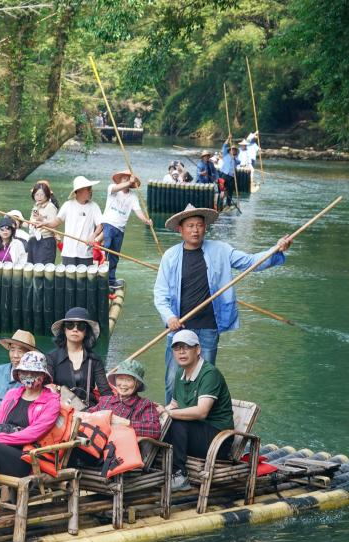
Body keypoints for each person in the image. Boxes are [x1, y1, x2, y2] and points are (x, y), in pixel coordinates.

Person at [153, 204, 293, 401]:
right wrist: (170, 317)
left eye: (199, 225)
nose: (195, 230)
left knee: (204, 381)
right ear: (180, 230)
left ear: (205, 228)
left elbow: (251, 262)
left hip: (209, 327)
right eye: (190, 225)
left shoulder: (221, 250)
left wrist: (276, 249)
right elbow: (160, 293)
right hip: (180, 328)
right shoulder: (170, 256)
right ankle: (172, 419)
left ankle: (199, 421)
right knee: (172, 380)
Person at [156, 330, 236, 492]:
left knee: (175, 421)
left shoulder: (209, 374)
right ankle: (152, 467)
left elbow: (201, 412)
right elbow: (174, 405)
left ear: (198, 349)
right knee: (155, 422)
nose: (181, 352)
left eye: (186, 347)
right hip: (195, 434)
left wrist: (169, 414)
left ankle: (180, 475)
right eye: (177, 348)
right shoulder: (180, 373)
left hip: (217, 440)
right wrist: (157, 412)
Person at [0, 351, 61, 488]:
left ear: (43, 376)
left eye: (34, 372)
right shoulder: (12, 394)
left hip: (27, 457)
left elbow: (33, 433)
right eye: (24, 371)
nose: (29, 376)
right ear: (19, 374)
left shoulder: (51, 402)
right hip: (0, 447)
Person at [46, 307, 112, 407]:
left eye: (80, 326)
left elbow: (105, 391)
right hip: (59, 409)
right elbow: (46, 387)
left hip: (87, 411)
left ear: (86, 332)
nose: (75, 329)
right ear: (64, 329)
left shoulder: (94, 359)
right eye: (70, 325)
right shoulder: (51, 357)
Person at [100, 169, 152, 290]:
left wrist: (146, 220)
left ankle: (111, 280)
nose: (127, 181)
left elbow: (138, 211)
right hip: (109, 224)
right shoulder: (112, 188)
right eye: (125, 178)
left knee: (114, 255)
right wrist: (128, 182)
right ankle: (101, 278)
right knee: (105, 249)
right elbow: (116, 188)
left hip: (120, 229)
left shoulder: (133, 196)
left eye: (128, 179)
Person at [87, 359, 161, 440]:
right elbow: (88, 415)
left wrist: (123, 422)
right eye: (120, 378)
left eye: (129, 380)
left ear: (137, 384)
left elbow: (155, 430)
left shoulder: (144, 405)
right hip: (97, 444)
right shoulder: (105, 400)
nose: (123, 384)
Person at [40, 176, 104, 267]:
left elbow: (100, 225)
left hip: (86, 253)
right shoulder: (68, 205)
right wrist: (45, 223)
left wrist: (93, 236)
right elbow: (56, 221)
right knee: (69, 279)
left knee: (83, 280)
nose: (91, 191)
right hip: (68, 252)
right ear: (79, 190)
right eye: (88, 189)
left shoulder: (94, 206)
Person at [26, 181, 59, 264]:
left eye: (42, 194)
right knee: (31, 268)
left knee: (42, 269)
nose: (39, 197)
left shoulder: (51, 207)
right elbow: (31, 223)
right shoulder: (36, 206)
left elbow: (54, 226)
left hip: (45, 241)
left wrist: (42, 220)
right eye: (36, 194)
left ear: (47, 195)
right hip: (33, 240)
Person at [219, 140, 240, 206]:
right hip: (224, 175)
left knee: (230, 191)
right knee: (221, 190)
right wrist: (228, 139)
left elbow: (239, 162)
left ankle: (228, 204)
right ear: (229, 150)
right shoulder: (225, 155)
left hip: (231, 176)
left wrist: (234, 158)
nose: (233, 151)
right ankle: (220, 204)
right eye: (232, 149)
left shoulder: (236, 158)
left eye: (234, 150)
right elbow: (224, 146)